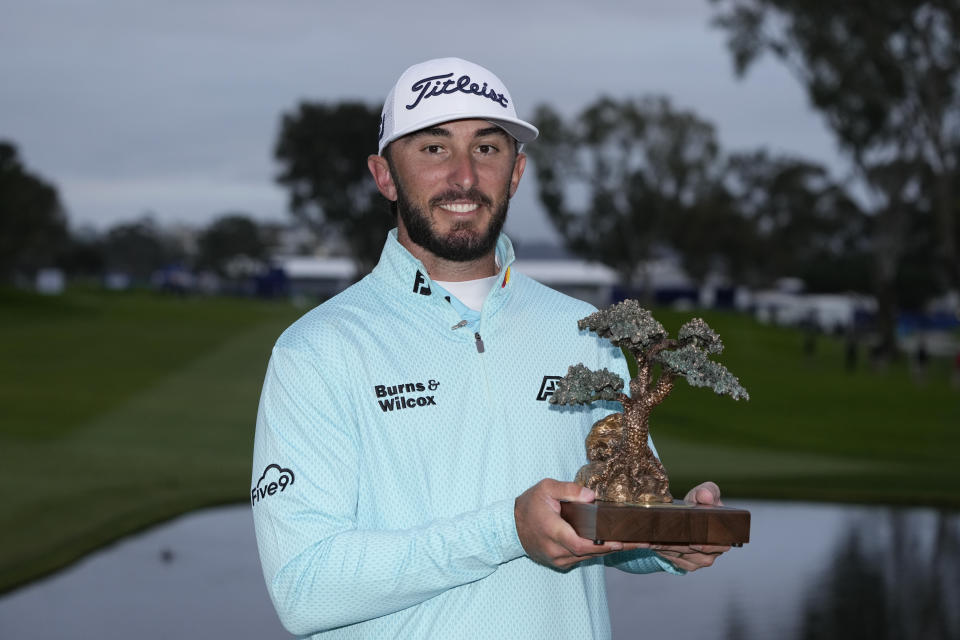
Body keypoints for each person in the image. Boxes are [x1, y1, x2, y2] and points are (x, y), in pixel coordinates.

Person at [251, 57, 728, 640]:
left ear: (517, 171)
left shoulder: (586, 329)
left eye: (486, 148)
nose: (464, 176)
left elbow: (607, 526)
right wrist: (507, 530)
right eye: (433, 149)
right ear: (384, 175)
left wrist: (667, 541)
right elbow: (305, 589)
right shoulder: (318, 349)